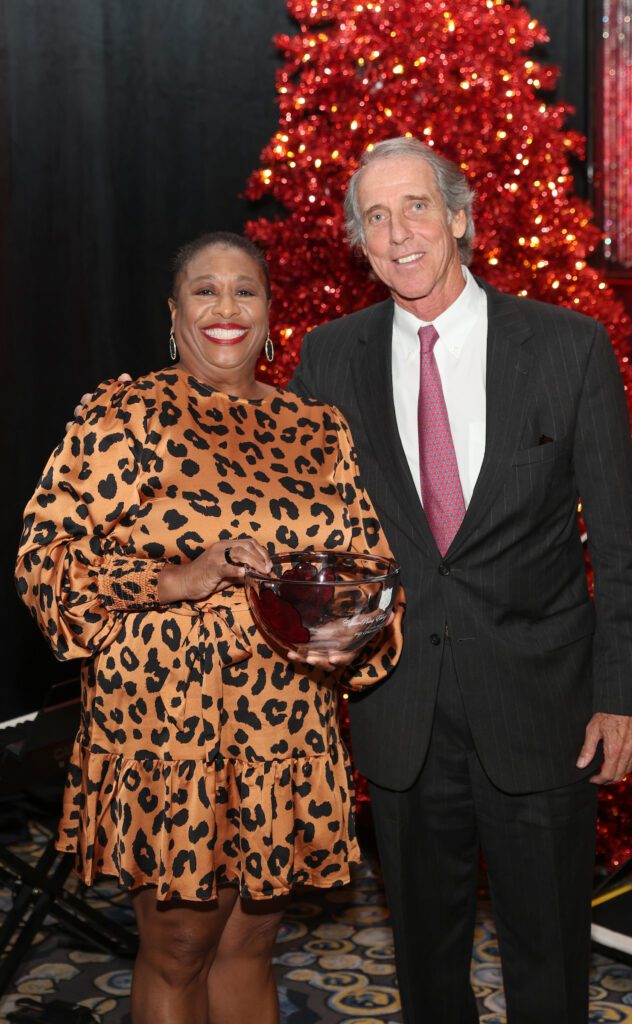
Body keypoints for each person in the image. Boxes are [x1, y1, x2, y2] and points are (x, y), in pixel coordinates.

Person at [286, 137, 632, 1023]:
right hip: (400, 710)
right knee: (424, 958)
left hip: (542, 710)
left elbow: (620, 542)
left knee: (548, 956)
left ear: (459, 217)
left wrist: (626, 696)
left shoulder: (567, 348)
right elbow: (303, 526)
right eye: (374, 217)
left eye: (415, 206)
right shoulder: (329, 358)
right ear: (360, 244)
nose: (397, 231)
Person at [15, 231, 402, 1024]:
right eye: (204, 290)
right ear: (173, 311)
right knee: (181, 948)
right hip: (170, 730)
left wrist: (345, 627)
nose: (225, 308)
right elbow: (44, 561)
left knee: (248, 946)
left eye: (245, 291)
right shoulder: (126, 413)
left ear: (268, 314)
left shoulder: (316, 428)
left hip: (285, 725)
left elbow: (368, 561)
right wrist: (175, 577)